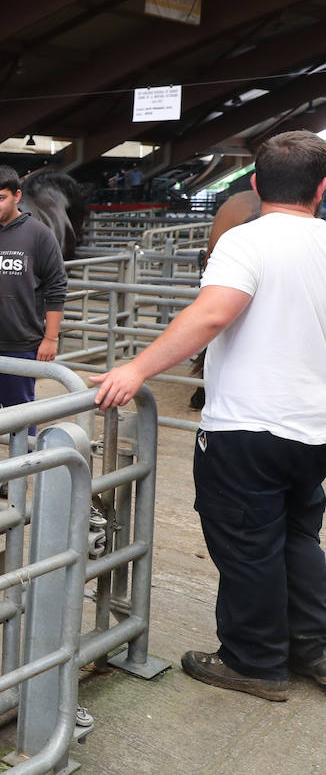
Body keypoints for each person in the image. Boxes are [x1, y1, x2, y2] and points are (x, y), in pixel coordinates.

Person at [93, 129, 326, 702]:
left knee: (249, 546)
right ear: (322, 189)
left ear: (253, 183)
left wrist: (137, 369)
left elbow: (213, 314)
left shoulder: (245, 241)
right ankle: (313, 648)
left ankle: (253, 660)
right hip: (314, 428)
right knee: (298, 538)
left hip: (248, 425)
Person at [0, 166, 67, 477]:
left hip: (22, 340)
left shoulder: (38, 234)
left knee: (21, 409)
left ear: (17, 196)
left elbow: (56, 285)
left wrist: (51, 337)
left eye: (0, 198)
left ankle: (22, 465)